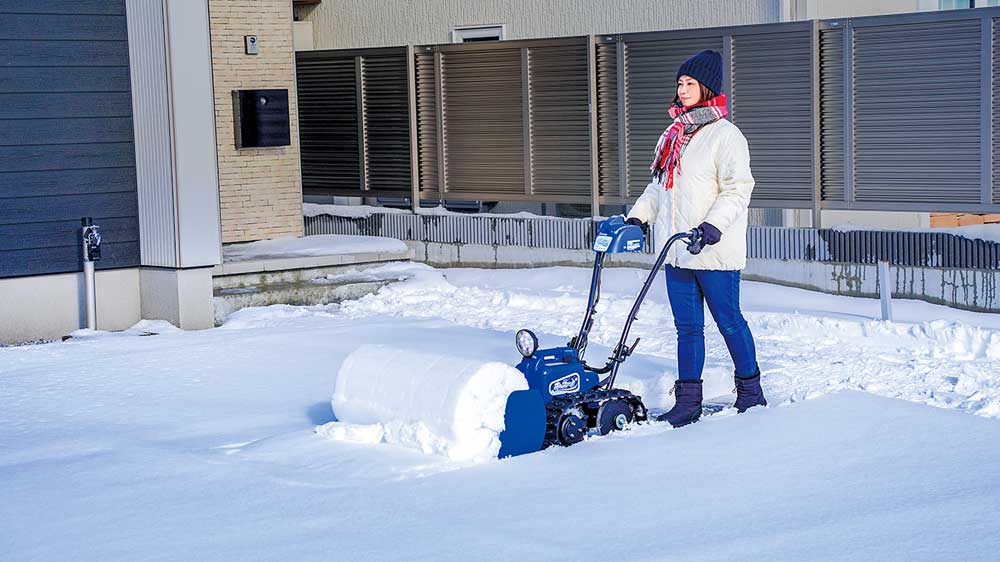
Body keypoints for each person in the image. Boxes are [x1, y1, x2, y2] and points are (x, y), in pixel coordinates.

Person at [624, 49, 766, 428]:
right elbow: (658, 188)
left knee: (729, 321)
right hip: (677, 250)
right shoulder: (673, 136)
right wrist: (638, 218)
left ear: (706, 88)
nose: (682, 89)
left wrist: (713, 226)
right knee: (687, 329)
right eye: (680, 83)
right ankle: (688, 401)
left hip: (712, 249)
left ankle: (751, 393)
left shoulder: (725, 135)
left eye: (689, 83)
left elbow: (738, 188)